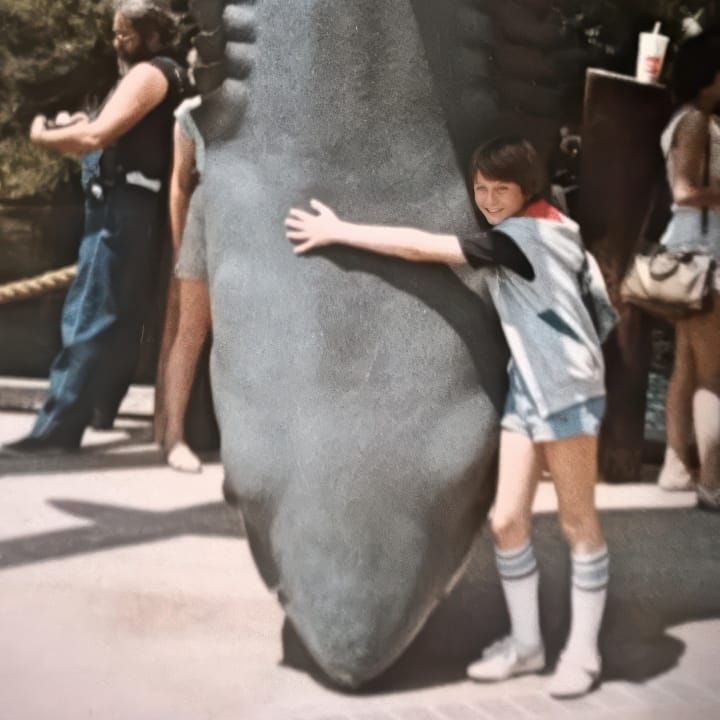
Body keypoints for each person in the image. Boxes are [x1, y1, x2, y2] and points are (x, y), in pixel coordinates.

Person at [284, 136, 612, 699]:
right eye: (479, 189)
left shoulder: (522, 238)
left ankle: (584, 651)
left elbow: (420, 247)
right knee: (507, 520)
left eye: (498, 190)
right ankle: (528, 646)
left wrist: (340, 231)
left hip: (568, 392)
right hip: (530, 389)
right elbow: (601, 308)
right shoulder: (560, 224)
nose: (486, 201)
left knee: (578, 524)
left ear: (524, 190)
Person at [3, 0, 185, 454]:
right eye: (115, 33)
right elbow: (101, 128)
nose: (116, 42)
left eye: (125, 34)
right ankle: (98, 411)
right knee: (115, 317)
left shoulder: (149, 73)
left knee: (88, 315)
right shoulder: (159, 74)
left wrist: (43, 134)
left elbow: (94, 137)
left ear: (154, 37)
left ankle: (56, 430)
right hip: (131, 207)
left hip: (121, 210)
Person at [655, 30, 720, 510]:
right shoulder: (697, 121)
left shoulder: (689, 119)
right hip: (702, 253)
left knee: (688, 367)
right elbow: (683, 190)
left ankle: (677, 468)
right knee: (713, 374)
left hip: (686, 251)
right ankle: (713, 483)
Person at [157, 93, 212, 473]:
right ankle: (174, 436)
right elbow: (180, 182)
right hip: (207, 214)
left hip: (258, 213)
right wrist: (180, 248)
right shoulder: (191, 112)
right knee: (191, 330)